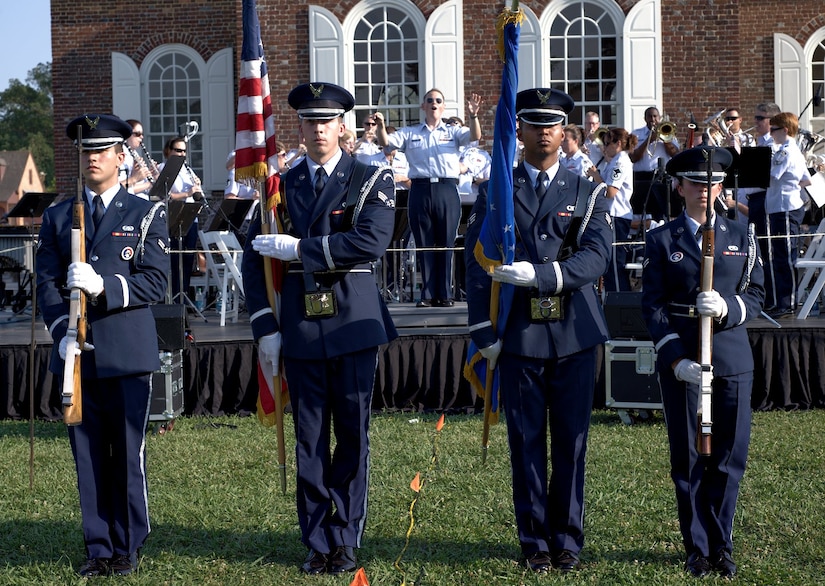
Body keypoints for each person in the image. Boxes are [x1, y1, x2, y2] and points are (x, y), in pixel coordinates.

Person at [241, 82, 397, 575]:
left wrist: (302, 251)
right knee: (309, 439)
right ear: (300, 128)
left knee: (351, 435)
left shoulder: (372, 177)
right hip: (301, 325)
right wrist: (265, 325)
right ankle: (317, 539)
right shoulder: (280, 186)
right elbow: (253, 257)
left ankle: (346, 536)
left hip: (353, 322)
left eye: (327, 120)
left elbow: (370, 241)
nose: (319, 128)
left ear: (343, 125)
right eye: (310, 121)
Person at [464, 88, 613, 574]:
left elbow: (597, 254)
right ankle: (534, 540)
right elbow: (476, 261)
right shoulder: (497, 190)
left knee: (571, 440)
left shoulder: (586, 189)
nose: (544, 131)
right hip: (520, 330)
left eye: (553, 124)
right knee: (526, 439)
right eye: (534, 123)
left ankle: (567, 539)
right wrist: (482, 328)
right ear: (519, 130)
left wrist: (547, 276)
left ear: (564, 131)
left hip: (573, 329)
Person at [36, 113, 170, 577]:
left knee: (127, 454)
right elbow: (47, 286)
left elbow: (156, 281)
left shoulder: (145, 212)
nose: (92, 157)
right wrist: (61, 334)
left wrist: (105, 285)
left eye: (102, 149)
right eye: (85, 150)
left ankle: (129, 544)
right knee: (89, 458)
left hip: (127, 351)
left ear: (121, 156)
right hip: (77, 356)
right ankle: (99, 547)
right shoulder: (57, 216)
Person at [641, 146, 764, 579]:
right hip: (685, 362)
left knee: (729, 458)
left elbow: (758, 294)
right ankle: (696, 547)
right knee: (691, 458)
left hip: (731, 358)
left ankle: (722, 545)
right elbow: (652, 307)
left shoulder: (741, 233)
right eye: (695, 183)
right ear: (679, 188)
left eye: (712, 183)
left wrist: (728, 307)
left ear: (722, 187)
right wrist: (675, 360)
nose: (705, 191)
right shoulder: (661, 239)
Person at [374, 88, 484, 307]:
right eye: (429, 100)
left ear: (443, 107)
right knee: (423, 242)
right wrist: (379, 125)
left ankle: (444, 293)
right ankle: (426, 294)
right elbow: (387, 143)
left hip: (446, 189)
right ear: (423, 106)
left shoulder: (453, 132)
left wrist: (473, 116)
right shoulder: (411, 133)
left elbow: (475, 136)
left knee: (445, 242)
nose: (434, 103)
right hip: (420, 189)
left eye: (438, 100)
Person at [764, 112, 812, 318]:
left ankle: (787, 302)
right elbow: (806, 180)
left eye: (773, 130)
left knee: (784, 257)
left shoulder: (786, 152)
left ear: (784, 130)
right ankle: (783, 301)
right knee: (783, 255)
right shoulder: (794, 151)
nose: (770, 133)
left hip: (784, 208)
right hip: (785, 206)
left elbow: (773, 175)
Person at [587, 127, 637, 291]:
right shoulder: (614, 161)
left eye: (608, 143)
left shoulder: (621, 162)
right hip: (611, 215)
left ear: (619, 143)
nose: (605, 147)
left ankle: (619, 300)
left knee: (615, 262)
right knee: (609, 262)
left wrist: (596, 176)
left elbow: (610, 192)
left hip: (617, 215)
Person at [159, 136, 203, 302]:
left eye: (184, 151)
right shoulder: (164, 168)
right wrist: (187, 193)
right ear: (168, 151)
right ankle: (175, 299)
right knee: (175, 260)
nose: (181, 154)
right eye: (178, 150)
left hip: (191, 216)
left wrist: (197, 189)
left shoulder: (187, 169)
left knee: (188, 260)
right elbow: (165, 195)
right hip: (175, 217)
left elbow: (197, 194)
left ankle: (185, 297)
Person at [630, 106, 680, 221]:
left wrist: (665, 140)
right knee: (642, 209)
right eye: (650, 116)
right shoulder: (636, 134)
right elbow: (634, 157)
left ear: (660, 118)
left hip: (661, 176)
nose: (652, 119)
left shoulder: (668, 131)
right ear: (645, 118)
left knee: (661, 210)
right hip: (641, 177)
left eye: (655, 116)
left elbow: (675, 155)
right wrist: (649, 139)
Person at [120, 119, 158, 199]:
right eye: (137, 134)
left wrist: (150, 175)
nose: (141, 137)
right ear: (127, 134)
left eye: (142, 134)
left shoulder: (134, 153)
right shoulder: (120, 155)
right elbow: (119, 187)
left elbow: (140, 185)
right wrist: (148, 184)